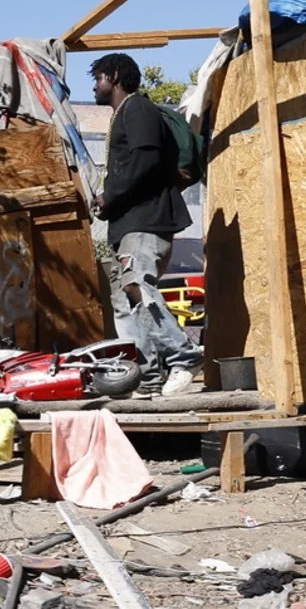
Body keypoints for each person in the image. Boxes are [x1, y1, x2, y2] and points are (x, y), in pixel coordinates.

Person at [88, 53, 203, 397]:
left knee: (138, 284)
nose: (94, 85)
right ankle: (147, 376)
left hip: (147, 220)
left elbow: (146, 160)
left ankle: (184, 355)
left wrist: (111, 196)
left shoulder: (137, 108)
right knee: (128, 297)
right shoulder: (125, 113)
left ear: (114, 76)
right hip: (131, 222)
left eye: (98, 78)